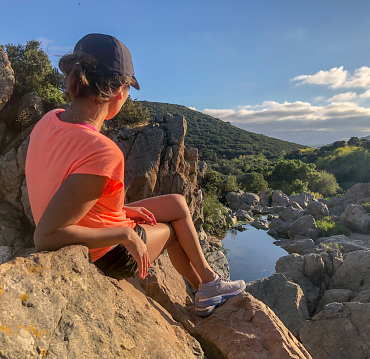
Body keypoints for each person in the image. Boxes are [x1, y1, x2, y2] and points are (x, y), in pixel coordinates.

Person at [25, 33, 245, 317]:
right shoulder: (102, 151)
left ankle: (209, 284)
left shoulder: (49, 120)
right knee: (174, 231)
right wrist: (126, 233)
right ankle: (208, 288)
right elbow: (45, 236)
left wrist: (125, 210)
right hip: (109, 253)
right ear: (119, 92)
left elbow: (65, 192)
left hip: (94, 224)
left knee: (177, 203)